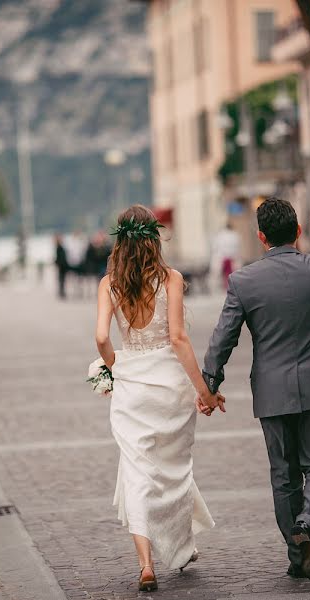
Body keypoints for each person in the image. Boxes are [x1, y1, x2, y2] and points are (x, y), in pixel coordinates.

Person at [200, 197, 310, 587]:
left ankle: (298, 556)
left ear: (261, 237)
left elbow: (222, 339)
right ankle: (308, 526)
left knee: (284, 478)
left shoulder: (243, 281)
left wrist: (209, 384)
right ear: (298, 232)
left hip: (273, 392)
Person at [95, 205, 221, 593]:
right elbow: (180, 339)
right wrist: (205, 391)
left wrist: (116, 366)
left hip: (133, 386)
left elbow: (101, 337)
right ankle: (183, 547)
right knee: (173, 470)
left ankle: (146, 564)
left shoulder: (109, 283)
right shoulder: (171, 279)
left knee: (136, 472)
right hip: (170, 386)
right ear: (154, 239)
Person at [211, 222, 241, 291]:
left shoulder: (220, 235)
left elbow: (215, 247)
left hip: (222, 257)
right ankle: (232, 287)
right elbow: (237, 247)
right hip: (232, 257)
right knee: (232, 274)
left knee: (219, 274)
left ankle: (218, 288)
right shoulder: (235, 235)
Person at [54, 234, 69, 299]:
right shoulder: (60, 247)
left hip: (62, 266)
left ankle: (62, 292)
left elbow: (59, 258)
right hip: (62, 266)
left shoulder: (60, 247)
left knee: (61, 279)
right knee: (61, 280)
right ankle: (61, 292)